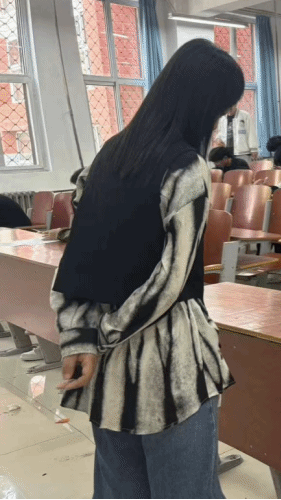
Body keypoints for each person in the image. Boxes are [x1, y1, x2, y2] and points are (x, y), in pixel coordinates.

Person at [50, 38, 238, 498]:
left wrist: (82, 338)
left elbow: (78, 259)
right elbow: (171, 282)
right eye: (221, 112)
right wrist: (108, 333)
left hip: (109, 371)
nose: (219, 123)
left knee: (120, 490)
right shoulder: (187, 168)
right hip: (171, 367)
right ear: (204, 107)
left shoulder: (108, 155)